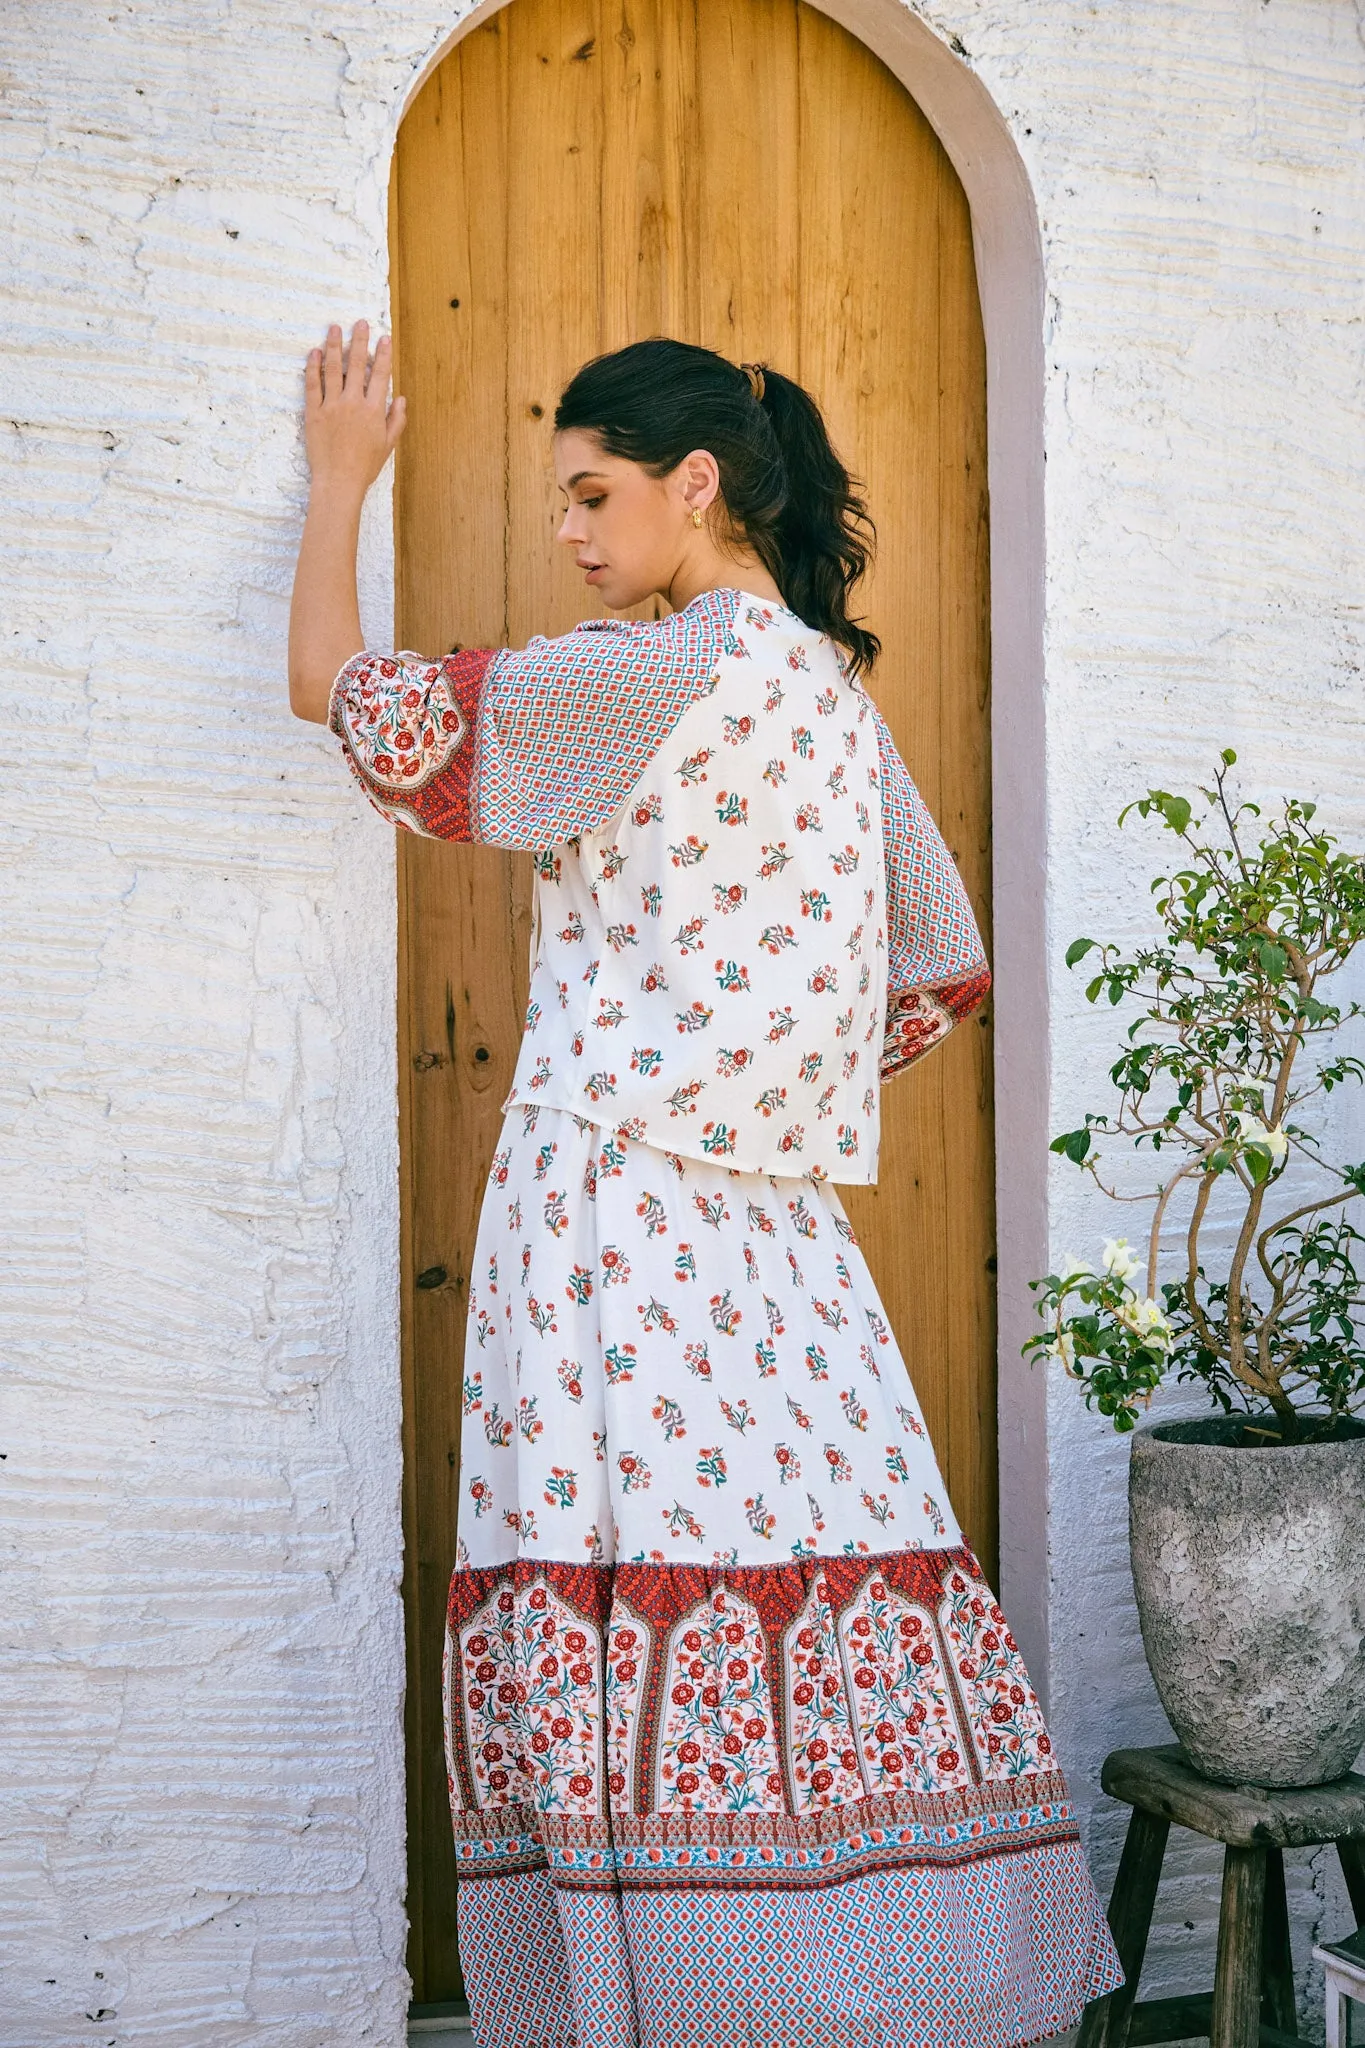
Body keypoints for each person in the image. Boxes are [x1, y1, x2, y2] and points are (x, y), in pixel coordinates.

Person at [289, 322, 1122, 2048]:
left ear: (697, 484)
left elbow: (346, 702)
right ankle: (872, 1989)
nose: (575, 537)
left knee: (616, 1591)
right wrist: (757, 1065)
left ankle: (656, 2007)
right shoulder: (828, 689)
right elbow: (937, 963)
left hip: (610, 1214)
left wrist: (340, 483)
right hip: (784, 1253)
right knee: (812, 1569)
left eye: (595, 498)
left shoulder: (647, 674)